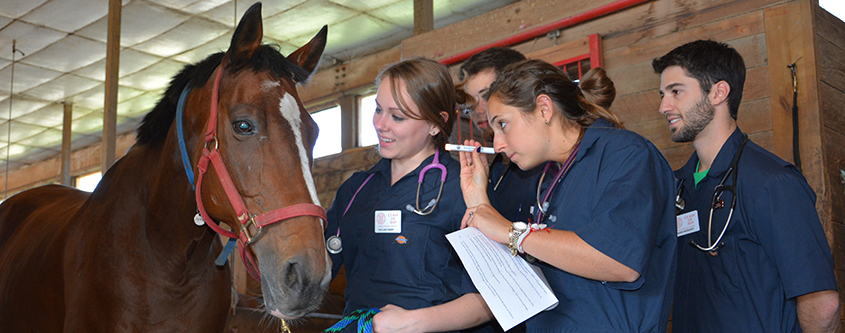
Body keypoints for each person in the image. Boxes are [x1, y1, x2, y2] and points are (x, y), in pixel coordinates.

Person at [459, 59, 677, 332]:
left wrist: (511, 232)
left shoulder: (626, 154)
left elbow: (619, 261)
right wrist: (478, 201)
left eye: (503, 124)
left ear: (544, 108)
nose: (498, 143)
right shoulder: (550, 175)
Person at [653, 39, 840, 332]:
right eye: (663, 94)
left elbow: (821, 302)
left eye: (676, 92)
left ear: (718, 92)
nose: (663, 106)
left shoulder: (772, 183)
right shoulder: (677, 186)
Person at [324, 58, 492, 333]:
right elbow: (318, 268)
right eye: (378, 109)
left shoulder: (461, 188)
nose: (380, 124)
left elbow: (493, 298)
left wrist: (413, 323)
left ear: (436, 125)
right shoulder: (356, 190)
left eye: (397, 117)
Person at [457, 47, 544, 223]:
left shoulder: (542, 166)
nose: (478, 109)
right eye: (471, 101)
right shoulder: (495, 165)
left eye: (487, 96)